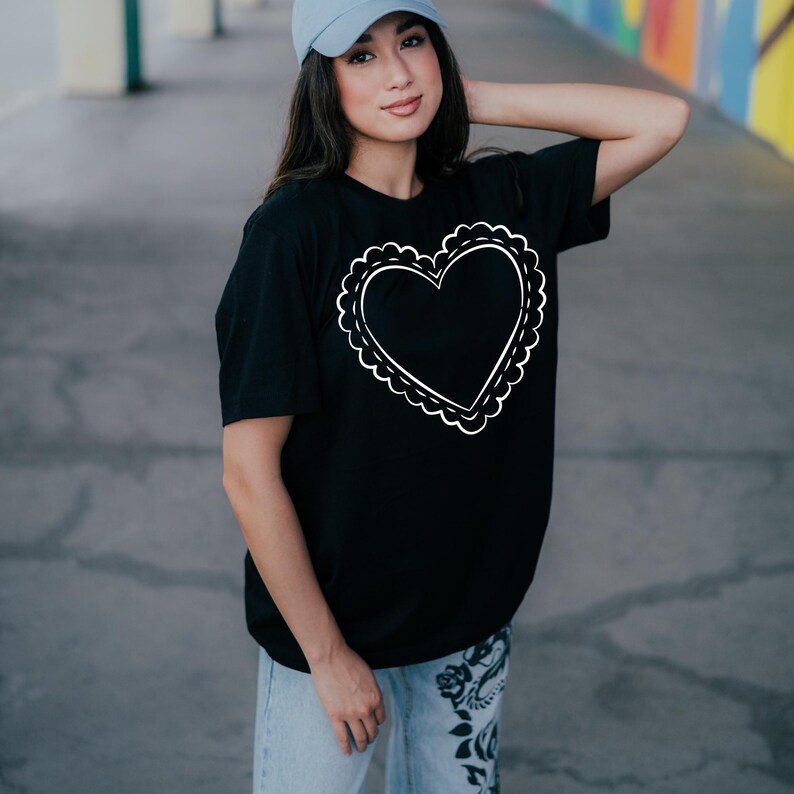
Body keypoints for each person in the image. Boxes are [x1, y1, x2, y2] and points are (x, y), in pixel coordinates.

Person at [214, 0, 690, 791]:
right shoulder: (291, 234)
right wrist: (328, 657)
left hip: (468, 615)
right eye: (360, 56)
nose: (397, 72)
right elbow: (248, 470)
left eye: (412, 42)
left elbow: (661, 120)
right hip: (328, 624)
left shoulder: (504, 200)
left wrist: (475, 98)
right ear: (320, 84)